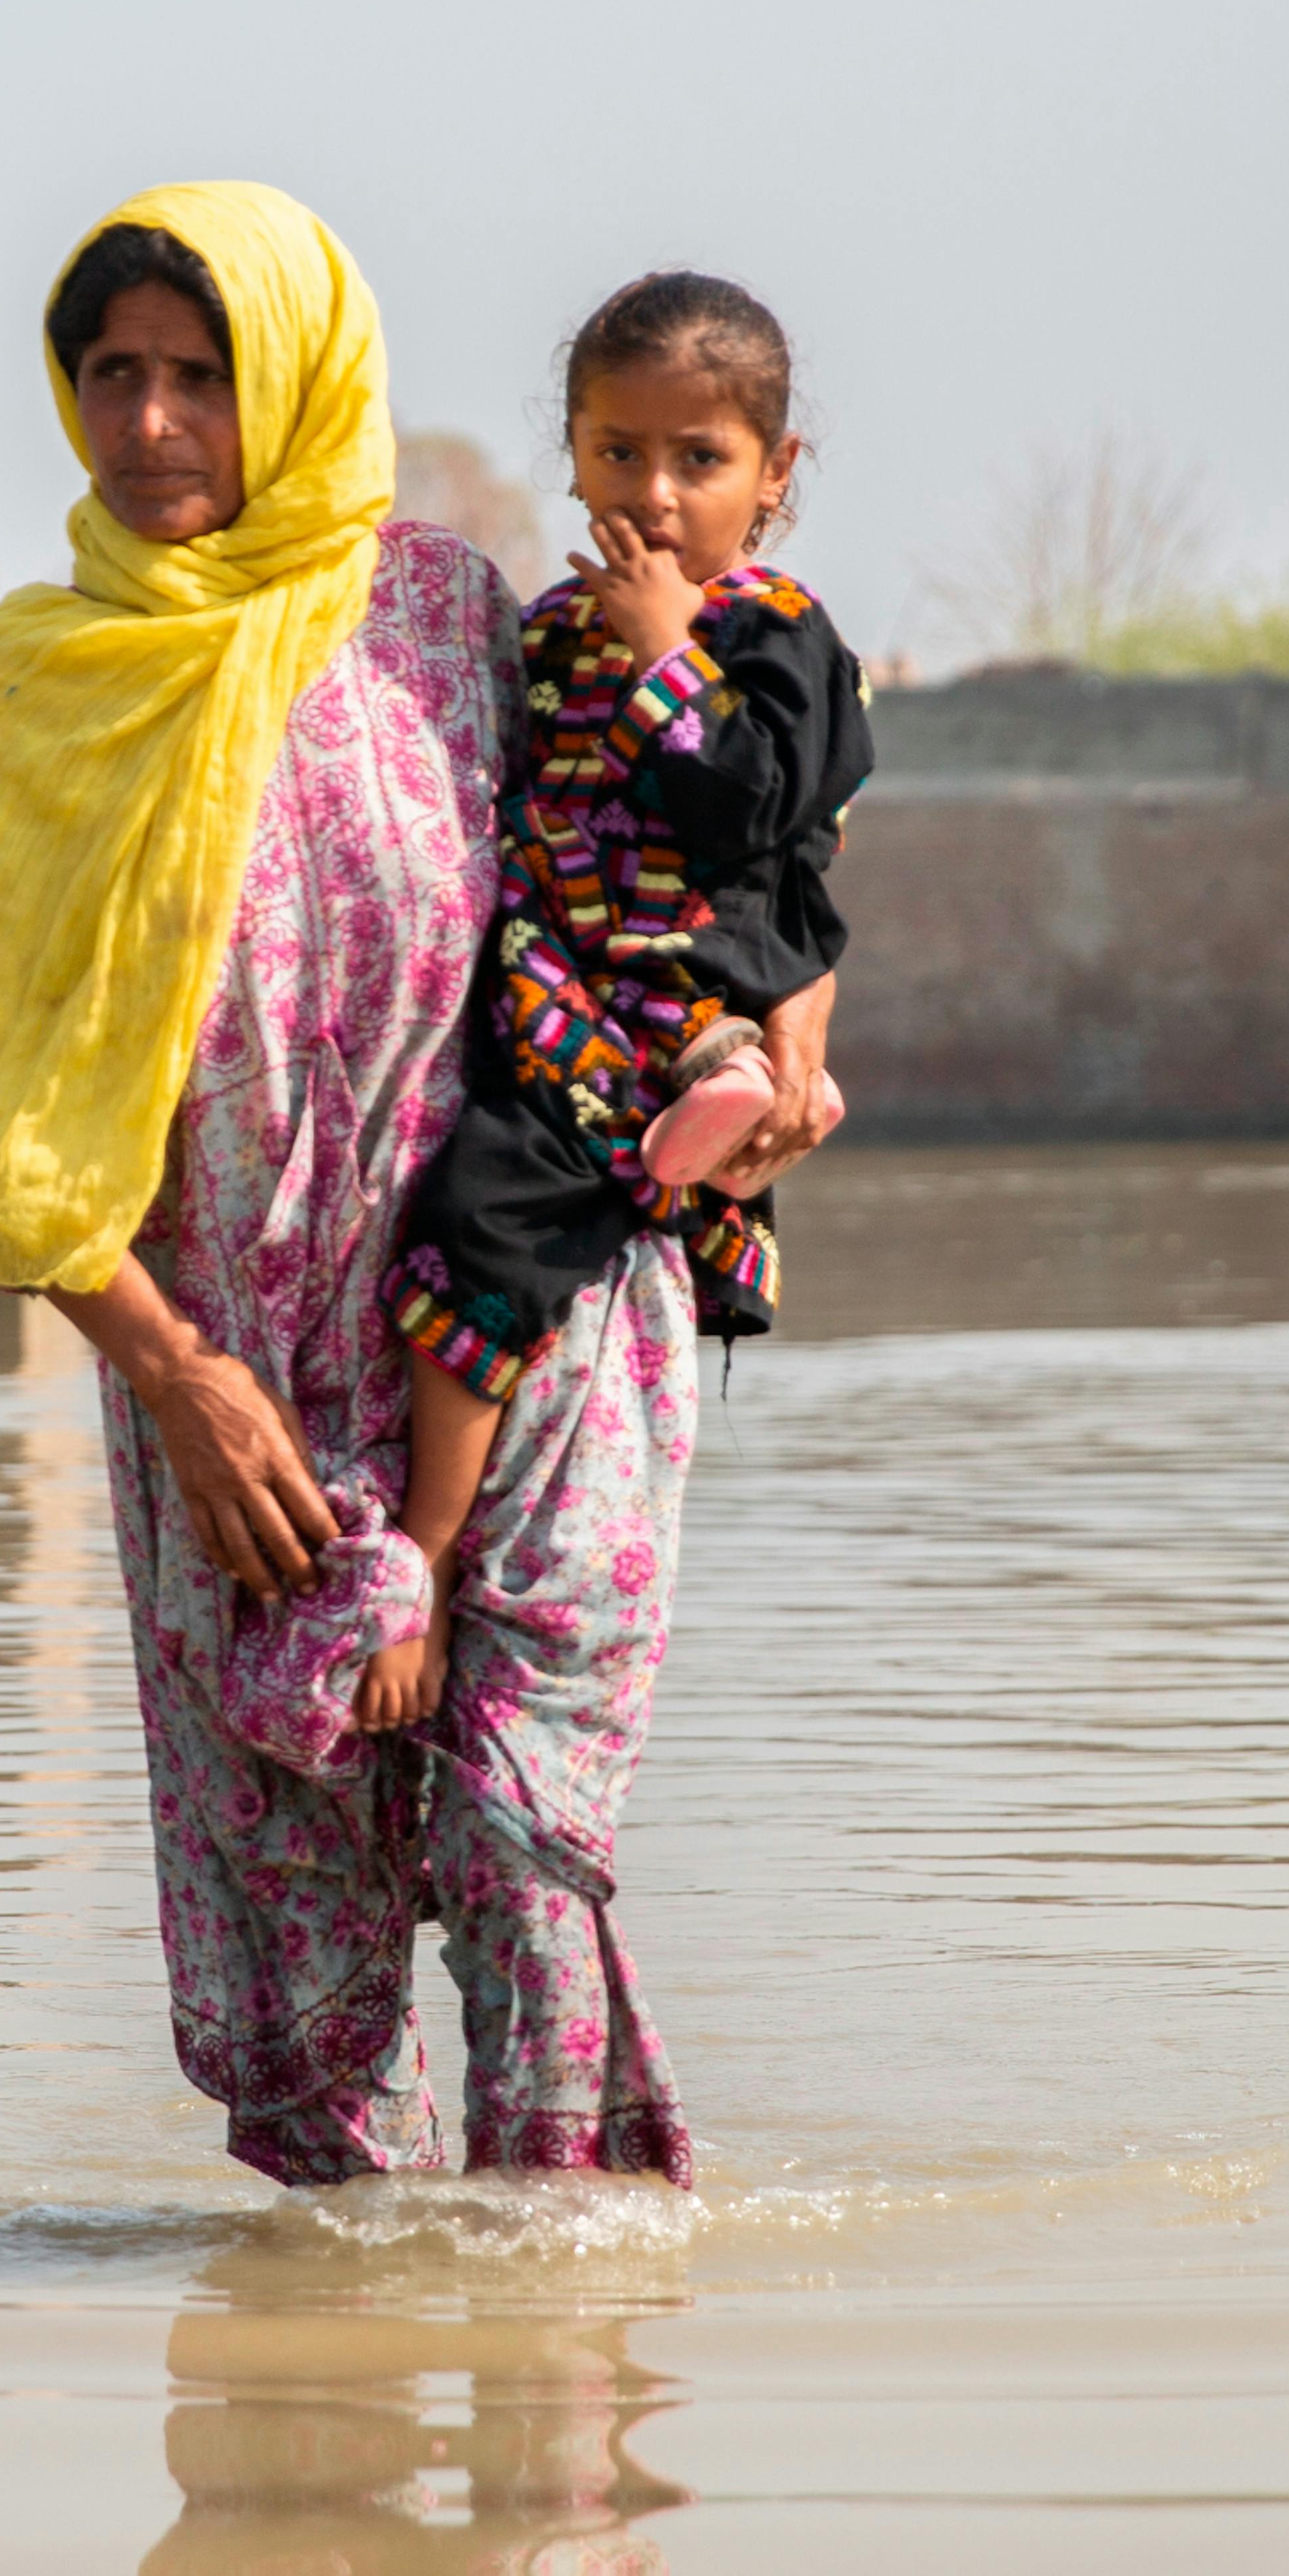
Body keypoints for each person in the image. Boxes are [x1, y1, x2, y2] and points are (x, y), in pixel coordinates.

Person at [0, 183, 831, 2189]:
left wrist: (783, 1062)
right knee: (304, 1985)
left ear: (301, 384)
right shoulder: (44, 686)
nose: (151, 423)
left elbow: (702, 863)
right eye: (111, 375)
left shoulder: (447, 619)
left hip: (519, 1312)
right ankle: (313, 2435)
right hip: (224, 1387)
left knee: (520, 1832)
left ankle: (566, 2368)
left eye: (203, 374)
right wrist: (174, 1375)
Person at [369, 273, 870, 1734]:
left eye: (699, 459)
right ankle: (692, 1120)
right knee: (459, 1229)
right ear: (574, 451)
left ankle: (427, 1549)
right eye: (617, 453)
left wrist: (669, 651)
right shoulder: (537, 634)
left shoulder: (779, 636)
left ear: (774, 474)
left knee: (480, 1235)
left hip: (672, 999)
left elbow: (760, 821)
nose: (654, 493)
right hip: (553, 1006)